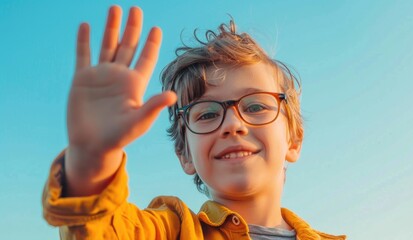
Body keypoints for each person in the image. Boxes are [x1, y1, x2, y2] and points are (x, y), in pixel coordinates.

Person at [42, 5, 346, 240]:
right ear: (185, 155)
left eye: (255, 106)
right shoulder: (171, 229)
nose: (233, 124)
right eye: (208, 113)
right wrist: (92, 159)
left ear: (294, 140)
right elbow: (103, 231)